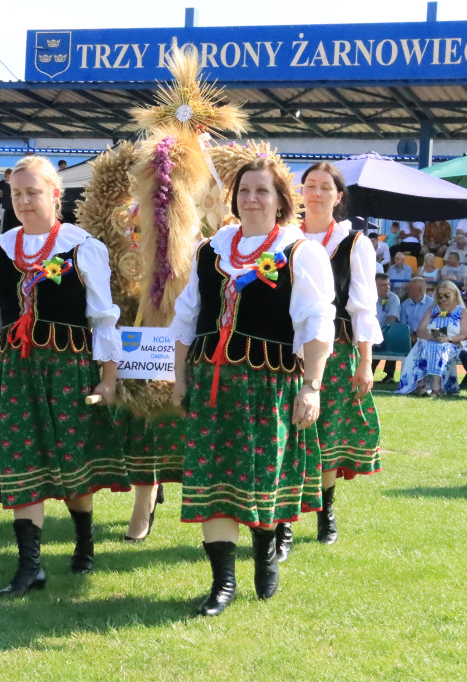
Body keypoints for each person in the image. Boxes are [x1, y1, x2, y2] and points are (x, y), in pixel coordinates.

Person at [169, 156, 332, 617]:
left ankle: (265, 555)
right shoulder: (211, 250)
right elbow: (186, 320)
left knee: (260, 478)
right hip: (210, 383)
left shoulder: (301, 253)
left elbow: (317, 324)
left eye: (262, 191)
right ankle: (222, 583)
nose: (251, 199)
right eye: (244, 191)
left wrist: (312, 386)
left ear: (282, 200)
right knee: (213, 479)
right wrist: (180, 380)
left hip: (268, 385)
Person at [0, 155, 126, 597]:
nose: (23, 201)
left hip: (69, 370)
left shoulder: (81, 246)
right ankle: (29, 566)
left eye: (32, 192)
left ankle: (84, 539)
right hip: (16, 372)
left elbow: (103, 318)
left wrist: (108, 378)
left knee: (72, 461)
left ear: (55, 195)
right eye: (16, 194)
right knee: (23, 461)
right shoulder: (0, 249)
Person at [283, 161, 381, 559]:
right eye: (310, 185)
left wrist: (365, 361)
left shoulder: (354, 243)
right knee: (287, 433)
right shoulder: (284, 239)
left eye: (326, 187)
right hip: (284, 349)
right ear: (300, 193)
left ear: (338, 197)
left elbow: (363, 307)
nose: (317, 193)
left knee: (324, 436)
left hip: (335, 350)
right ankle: (284, 522)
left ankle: (325, 513)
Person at [395, 281, 467, 397]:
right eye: (440, 296)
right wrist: (429, 336)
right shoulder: (432, 310)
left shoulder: (462, 311)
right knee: (425, 345)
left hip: (452, 343)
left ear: (455, 294)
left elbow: (464, 334)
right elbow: (420, 330)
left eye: (447, 295)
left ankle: (436, 386)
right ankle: (421, 384)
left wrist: (448, 339)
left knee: (440, 347)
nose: (443, 298)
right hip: (431, 341)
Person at [400, 277, 433, 344]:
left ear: (420, 290)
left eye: (411, 288)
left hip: (427, 338)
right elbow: (403, 325)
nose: (408, 291)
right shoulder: (405, 304)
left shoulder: (432, 304)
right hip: (409, 338)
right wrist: (410, 336)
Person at [0, 168, 18, 232]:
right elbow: (1, 193)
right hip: (3, 204)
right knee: (3, 218)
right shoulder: (2, 182)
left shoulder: (14, 183)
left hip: (11, 205)